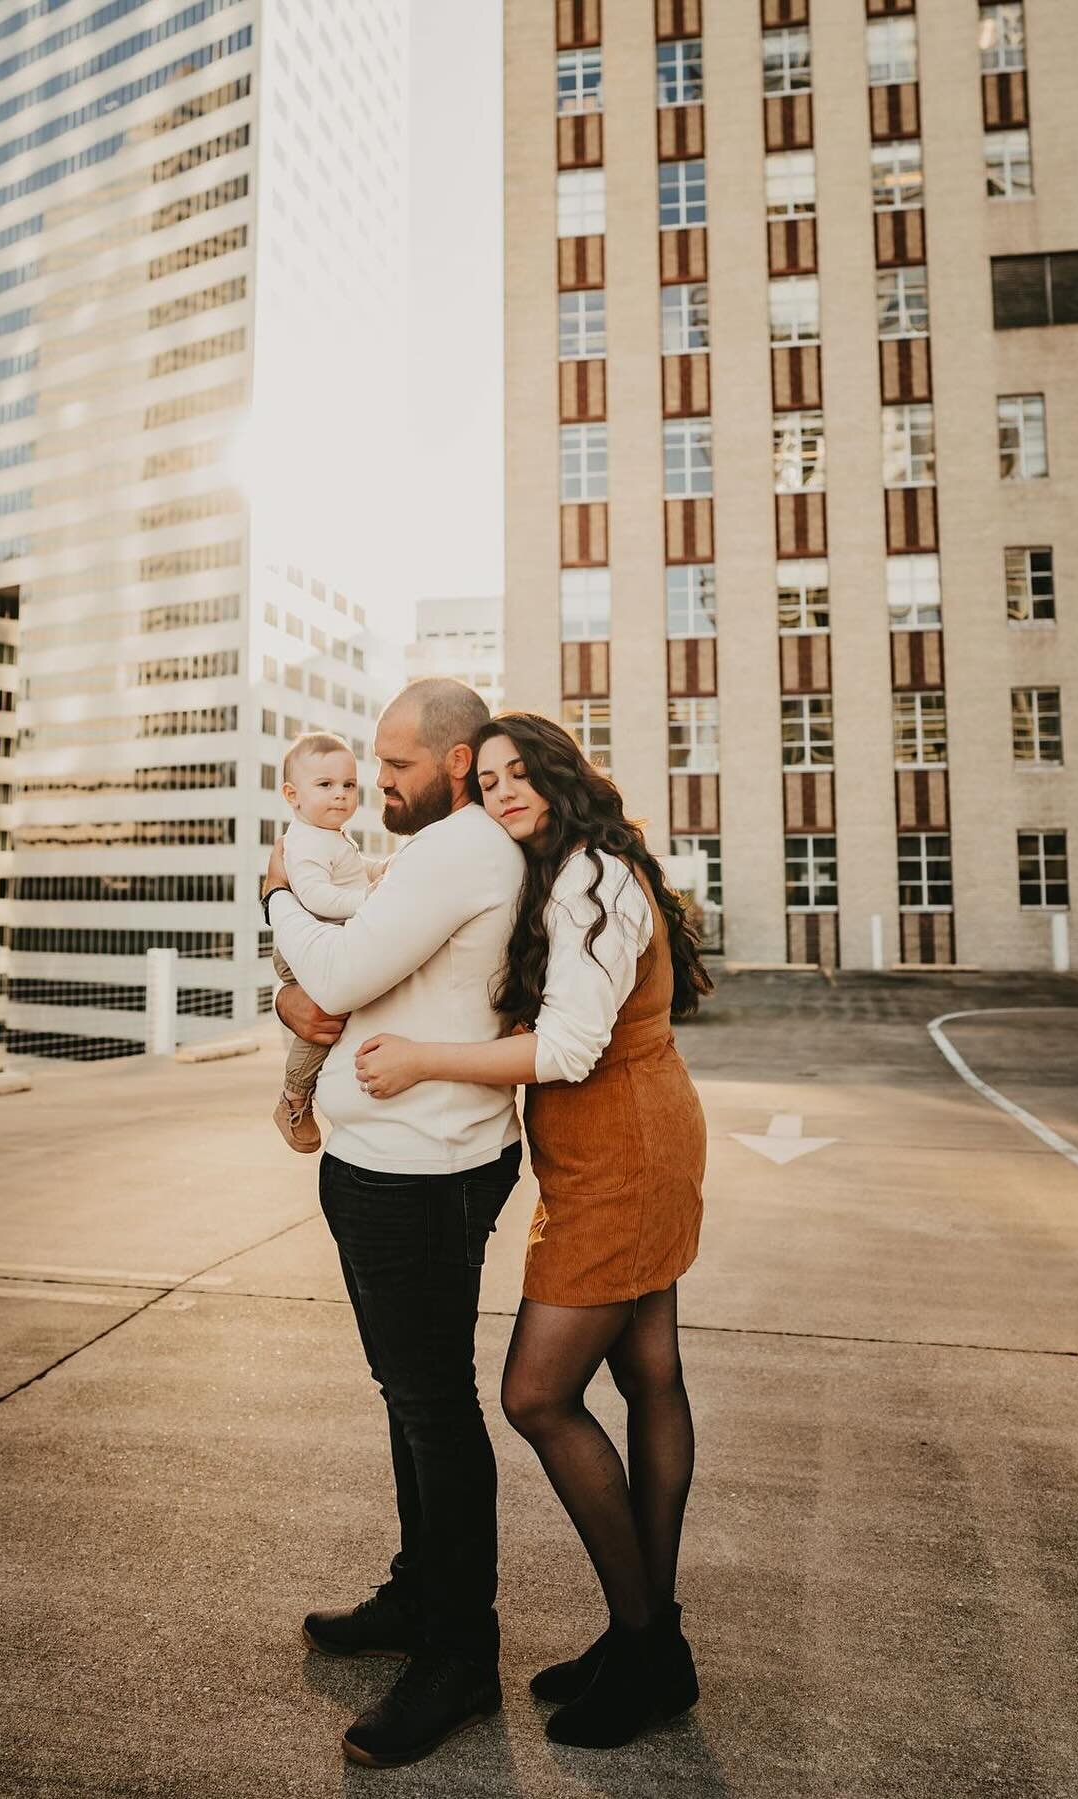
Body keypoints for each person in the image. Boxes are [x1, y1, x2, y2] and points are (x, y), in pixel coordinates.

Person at [352, 711, 712, 1751]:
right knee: (649, 1376)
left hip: (621, 1159)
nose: (504, 790)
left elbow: (566, 1045)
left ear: (564, 776)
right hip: (624, 1143)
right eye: (493, 776)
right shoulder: (580, 865)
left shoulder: (591, 876)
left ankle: (646, 1644)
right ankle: (652, 1641)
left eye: (524, 773)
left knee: (537, 1393)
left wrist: (422, 1057)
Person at [260, 678, 526, 1770]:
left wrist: (273, 893)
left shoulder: (462, 848)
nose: (377, 781)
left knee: (432, 1403)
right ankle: (421, 1598)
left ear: (456, 762)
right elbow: (329, 997)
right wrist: (298, 994)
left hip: (423, 1175)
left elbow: (334, 971)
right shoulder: (431, 849)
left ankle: (460, 1653)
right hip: (386, 1163)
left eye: (397, 763)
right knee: (409, 1394)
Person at [269, 731, 377, 1155]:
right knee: (323, 1019)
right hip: (303, 947)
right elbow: (315, 895)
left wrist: (378, 870)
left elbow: (351, 870)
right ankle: (293, 1097)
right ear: (292, 795)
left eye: (349, 786)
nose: (341, 796)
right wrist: (366, 900)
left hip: (324, 938)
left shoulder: (329, 835)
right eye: (326, 785)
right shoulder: (305, 841)